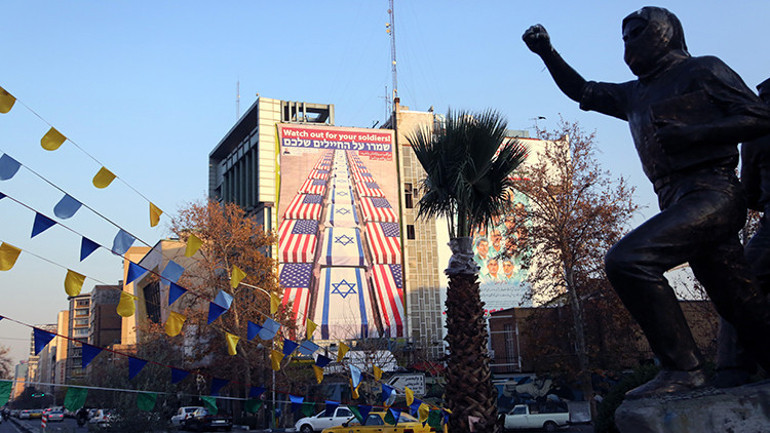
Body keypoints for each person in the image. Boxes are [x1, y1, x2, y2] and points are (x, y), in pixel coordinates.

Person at [523, 7, 770, 398]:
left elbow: (760, 116)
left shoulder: (703, 70)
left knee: (629, 259)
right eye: (623, 37)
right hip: (674, 200)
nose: (628, 43)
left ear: (664, 33)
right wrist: (547, 53)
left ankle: (684, 368)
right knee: (739, 301)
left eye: (636, 32)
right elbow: (583, 90)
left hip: (713, 192)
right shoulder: (633, 93)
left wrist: (696, 135)